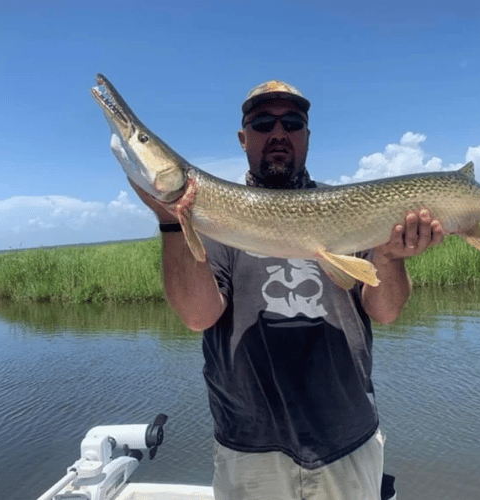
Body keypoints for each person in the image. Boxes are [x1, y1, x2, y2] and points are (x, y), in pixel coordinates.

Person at [131, 80, 445, 500]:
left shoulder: (353, 209)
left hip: (348, 441)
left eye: (292, 122)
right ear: (243, 139)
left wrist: (390, 257)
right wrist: (172, 221)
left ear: (307, 136)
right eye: (263, 122)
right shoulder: (214, 218)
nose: (278, 132)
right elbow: (197, 316)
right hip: (249, 448)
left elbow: (385, 311)